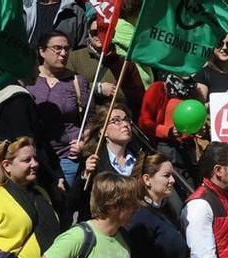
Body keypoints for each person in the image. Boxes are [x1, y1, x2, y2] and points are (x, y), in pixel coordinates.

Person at [27, 31, 90, 188]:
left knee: (63, 204)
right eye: (57, 48)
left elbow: (92, 119)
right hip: (34, 157)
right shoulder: (28, 80)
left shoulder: (77, 81)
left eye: (67, 49)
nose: (63, 53)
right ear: (42, 51)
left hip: (67, 157)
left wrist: (84, 143)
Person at [67, 103, 137, 221]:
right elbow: (72, 203)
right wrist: (84, 175)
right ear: (103, 131)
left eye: (126, 120)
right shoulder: (93, 160)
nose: (125, 124)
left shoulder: (139, 160)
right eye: (116, 121)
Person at [66, 15, 144, 116]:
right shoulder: (74, 58)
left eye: (103, 31)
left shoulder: (125, 63)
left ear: (113, 33)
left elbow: (138, 96)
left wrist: (114, 92)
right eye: (94, 32)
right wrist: (97, 88)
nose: (99, 36)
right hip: (85, 120)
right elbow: (65, 87)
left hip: (114, 120)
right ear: (88, 34)